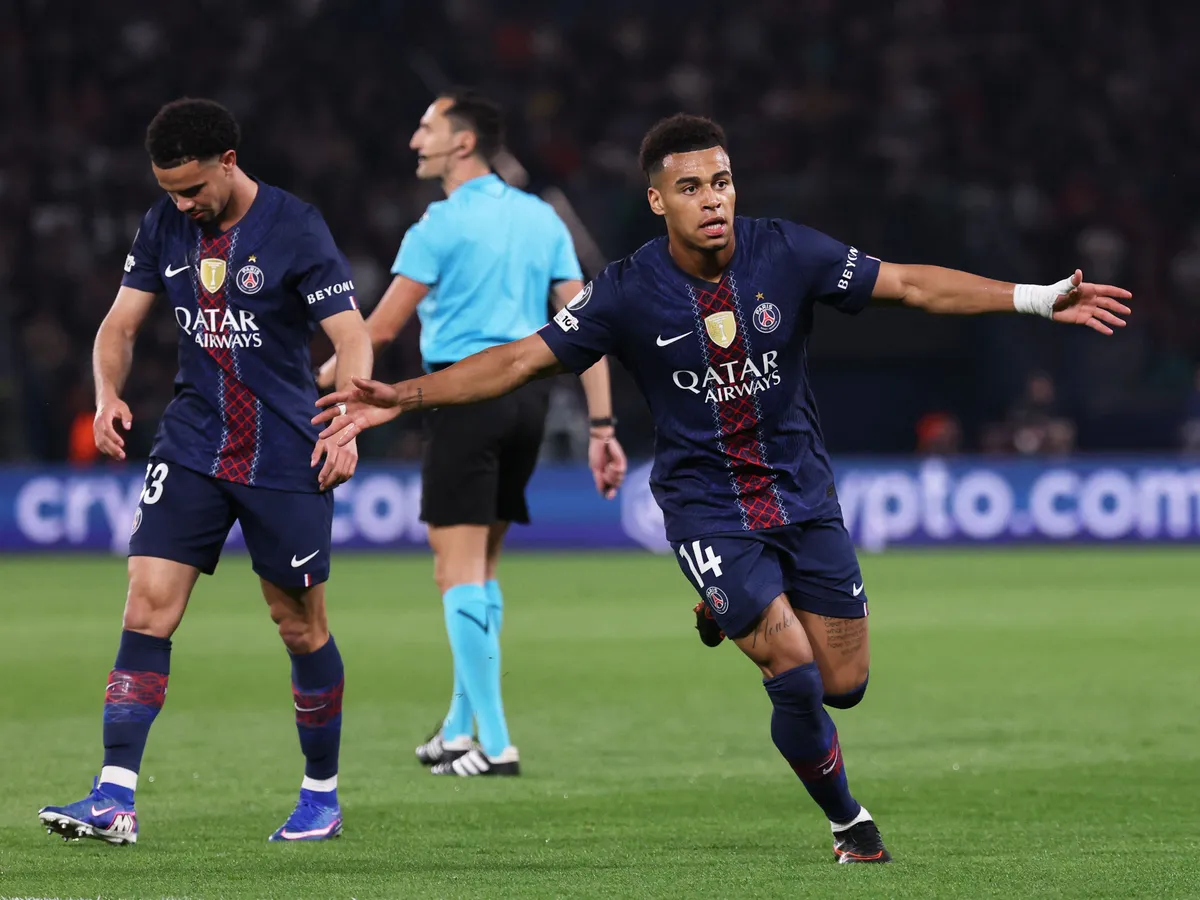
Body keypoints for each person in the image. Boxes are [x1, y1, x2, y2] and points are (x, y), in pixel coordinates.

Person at [311, 114, 1132, 863]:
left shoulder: (788, 251)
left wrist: (1036, 298)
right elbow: (521, 359)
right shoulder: (628, 290)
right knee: (796, 672)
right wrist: (403, 396)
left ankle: (729, 602)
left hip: (803, 494)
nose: (714, 200)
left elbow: (911, 284)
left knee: (846, 686)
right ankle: (850, 825)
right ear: (659, 200)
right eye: (693, 187)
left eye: (723, 181)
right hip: (707, 503)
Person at [37, 98, 373, 845]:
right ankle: (114, 795)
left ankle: (321, 794)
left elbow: (350, 336)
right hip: (191, 443)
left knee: (297, 624)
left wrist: (346, 417)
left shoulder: (295, 226)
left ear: (228, 161)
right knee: (147, 604)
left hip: (286, 451)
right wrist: (106, 394)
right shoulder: (164, 224)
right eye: (168, 191)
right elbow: (120, 324)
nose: (182, 203)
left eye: (192, 189)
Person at [316, 89, 626, 777]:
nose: (414, 141)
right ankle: (459, 728)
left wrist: (320, 373)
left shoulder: (440, 224)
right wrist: (602, 424)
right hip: (528, 401)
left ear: (463, 143)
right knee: (480, 571)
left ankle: (497, 739)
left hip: (461, 396)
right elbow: (585, 327)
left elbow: (382, 329)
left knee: (454, 573)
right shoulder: (541, 216)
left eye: (426, 128)